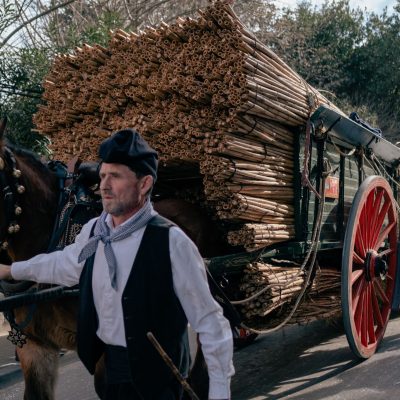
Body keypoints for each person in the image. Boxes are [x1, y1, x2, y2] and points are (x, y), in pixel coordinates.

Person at [0, 128, 234, 400]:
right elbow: (64, 264)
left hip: (159, 376)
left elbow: (210, 323)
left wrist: (219, 392)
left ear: (144, 184)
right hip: (113, 380)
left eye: (116, 177)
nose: (105, 185)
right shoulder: (94, 233)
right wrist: (11, 270)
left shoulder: (171, 242)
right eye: (102, 176)